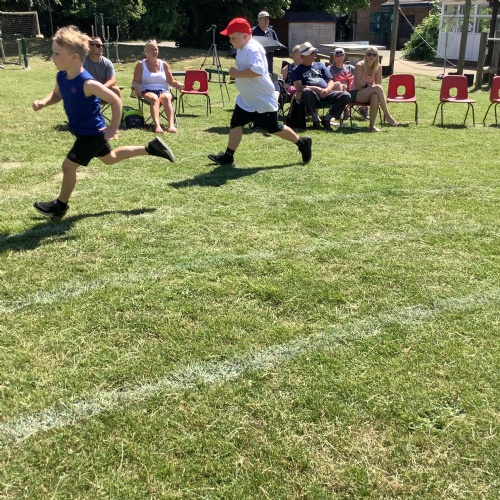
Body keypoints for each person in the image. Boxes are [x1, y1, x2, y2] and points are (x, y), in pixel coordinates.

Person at [32, 26, 175, 218]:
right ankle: (151, 148)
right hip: (86, 132)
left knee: (68, 166)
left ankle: (60, 205)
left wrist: (114, 127)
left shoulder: (88, 83)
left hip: (91, 134)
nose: (52, 57)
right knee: (110, 158)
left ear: (74, 57)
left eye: (57, 53)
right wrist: (43, 102)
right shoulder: (62, 77)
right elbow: (56, 95)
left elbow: (115, 100)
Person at [208, 18, 312, 167]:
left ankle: (302, 143)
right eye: (230, 37)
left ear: (245, 36)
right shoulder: (242, 48)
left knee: (274, 128)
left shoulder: (252, 48)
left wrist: (236, 74)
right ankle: (228, 157)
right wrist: (238, 74)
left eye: (233, 37)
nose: (230, 41)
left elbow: (257, 70)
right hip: (247, 99)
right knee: (236, 123)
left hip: (262, 99)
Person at [291, 42, 351, 131]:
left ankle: (327, 119)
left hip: (325, 93)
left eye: (313, 52)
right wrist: (315, 89)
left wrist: (327, 90)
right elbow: (299, 88)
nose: (313, 55)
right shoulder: (297, 70)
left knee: (346, 95)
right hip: (311, 96)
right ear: (303, 56)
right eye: (311, 53)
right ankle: (315, 120)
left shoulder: (320, 65)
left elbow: (331, 81)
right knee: (306, 91)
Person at [132, 39, 184, 134]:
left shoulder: (164, 64)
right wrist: (136, 86)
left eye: (156, 49)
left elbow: (171, 81)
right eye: (151, 49)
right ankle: (157, 126)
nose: (154, 51)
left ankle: (171, 125)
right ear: (146, 51)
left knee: (166, 98)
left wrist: (178, 84)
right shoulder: (140, 65)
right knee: (154, 98)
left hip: (163, 89)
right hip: (147, 90)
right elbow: (135, 81)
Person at [351, 46, 400, 132]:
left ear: (377, 56)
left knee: (375, 96)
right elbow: (358, 86)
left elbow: (378, 86)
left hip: (368, 93)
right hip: (356, 93)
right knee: (376, 89)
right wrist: (368, 86)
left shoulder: (378, 67)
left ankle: (372, 126)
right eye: (369, 54)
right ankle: (387, 116)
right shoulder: (359, 65)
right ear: (366, 56)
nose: (371, 56)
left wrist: (365, 85)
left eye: (374, 55)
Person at [329, 47, 368, 120]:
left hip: (352, 90)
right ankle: (344, 110)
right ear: (334, 57)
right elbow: (329, 83)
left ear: (344, 56)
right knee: (338, 85)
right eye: (337, 56)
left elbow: (360, 76)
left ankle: (363, 109)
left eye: (341, 55)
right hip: (339, 92)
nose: (339, 57)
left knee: (362, 84)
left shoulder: (351, 68)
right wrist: (341, 85)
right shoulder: (330, 69)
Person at [252, 10, 280, 75]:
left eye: (267, 19)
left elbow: (277, 45)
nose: (267, 20)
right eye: (264, 19)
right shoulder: (253, 32)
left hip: (269, 63)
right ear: (259, 20)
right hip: (257, 63)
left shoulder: (272, 32)